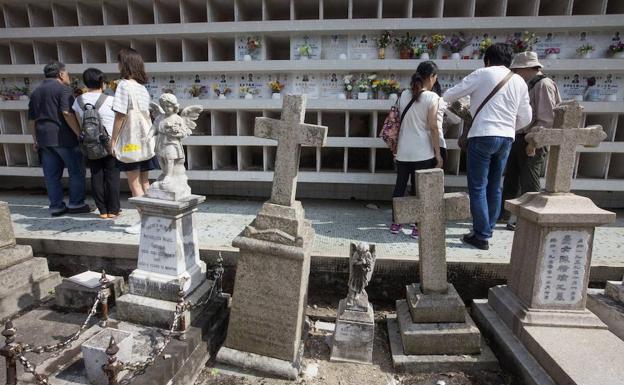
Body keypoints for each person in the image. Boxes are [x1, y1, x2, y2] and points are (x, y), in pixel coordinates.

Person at [443, 43, 532, 250]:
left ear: (488, 60)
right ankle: (487, 229)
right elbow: (526, 117)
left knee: (477, 186)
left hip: (482, 135)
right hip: (506, 138)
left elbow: (450, 95)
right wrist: (509, 127)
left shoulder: (483, 73)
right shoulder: (519, 81)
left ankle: (481, 235)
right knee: (494, 184)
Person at [501, 52, 561, 231]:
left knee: (530, 180)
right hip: (519, 137)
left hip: (532, 139)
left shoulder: (543, 85)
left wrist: (533, 143)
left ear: (527, 68)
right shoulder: (531, 84)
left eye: (517, 70)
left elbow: (547, 119)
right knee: (512, 178)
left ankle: (528, 218)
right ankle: (505, 214)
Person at [27, 61, 91, 217]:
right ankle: (76, 204)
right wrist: (79, 133)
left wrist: (35, 140)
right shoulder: (63, 89)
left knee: (51, 176)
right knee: (76, 171)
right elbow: (67, 113)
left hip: (44, 140)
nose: (68, 76)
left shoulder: (36, 92)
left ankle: (56, 206)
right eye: (67, 73)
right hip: (64, 138)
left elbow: (31, 120)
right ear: (61, 74)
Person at [390, 61, 444, 238]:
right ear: (431, 77)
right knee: (418, 189)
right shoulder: (432, 97)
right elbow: (434, 127)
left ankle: (396, 222)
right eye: (435, 77)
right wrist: (438, 153)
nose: (435, 80)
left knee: (400, 186)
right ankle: (416, 226)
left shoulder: (403, 94)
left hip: (404, 150)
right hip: (423, 151)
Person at [111, 48, 157, 234]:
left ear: (124, 64)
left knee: (134, 182)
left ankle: (145, 221)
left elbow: (120, 116)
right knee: (145, 182)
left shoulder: (124, 85)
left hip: (131, 141)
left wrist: (113, 140)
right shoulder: (142, 88)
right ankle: (152, 219)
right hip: (145, 140)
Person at [72, 68, 120, 220]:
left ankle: (103, 211)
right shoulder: (111, 100)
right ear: (101, 82)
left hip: (89, 143)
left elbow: (79, 121)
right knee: (112, 175)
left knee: (96, 175)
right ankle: (113, 209)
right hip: (109, 142)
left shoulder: (78, 101)